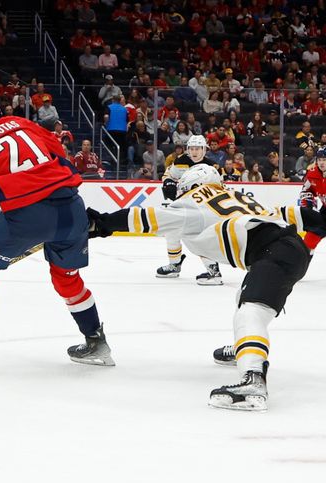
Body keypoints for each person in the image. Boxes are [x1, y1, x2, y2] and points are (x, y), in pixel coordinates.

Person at [87, 164, 326, 410]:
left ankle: (253, 377)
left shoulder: (194, 204)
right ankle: (242, 347)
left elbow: (143, 219)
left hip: (272, 253)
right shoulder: (237, 196)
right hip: (289, 248)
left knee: (250, 312)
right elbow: (291, 213)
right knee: (245, 298)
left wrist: (100, 224)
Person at [0, 99, 114, 372]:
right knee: (67, 278)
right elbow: (62, 160)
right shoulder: (27, 124)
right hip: (72, 208)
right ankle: (98, 344)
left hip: (27, 215)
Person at [157, 135, 222, 285]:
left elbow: (219, 188)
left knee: (199, 236)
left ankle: (213, 269)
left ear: (204, 150)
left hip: (203, 209)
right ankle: (174, 264)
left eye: (197, 148)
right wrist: (168, 182)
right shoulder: (180, 161)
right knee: (171, 231)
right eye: (191, 148)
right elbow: (169, 175)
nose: (194, 152)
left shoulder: (212, 167)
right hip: (183, 205)